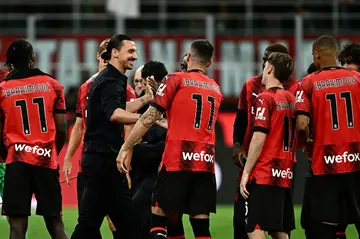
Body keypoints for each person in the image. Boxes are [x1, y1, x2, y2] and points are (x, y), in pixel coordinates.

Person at [117, 39, 223, 239]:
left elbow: (149, 117)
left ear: (189, 56)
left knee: (159, 217)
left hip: (177, 161)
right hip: (205, 164)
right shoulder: (215, 89)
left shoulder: (175, 79)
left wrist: (126, 145)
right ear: (209, 63)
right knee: (200, 225)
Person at [70, 34, 141, 239]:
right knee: (90, 226)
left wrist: (146, 99)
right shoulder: (110, 80)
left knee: (123, 225)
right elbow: (115, 114)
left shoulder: (111, 78)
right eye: (130, 51)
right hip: (103, 163)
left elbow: (118, 107)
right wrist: (146, 119)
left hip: (103, 161)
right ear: (115, 53)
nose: (135, 56)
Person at [0, 39, 68, 239]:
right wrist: (51, 151)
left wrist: (6, 155)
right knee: (55, 223)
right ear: (32, 58)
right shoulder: (53, 84)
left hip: (17, 161)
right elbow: (62, 127)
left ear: (10, 62)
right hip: (46, 160)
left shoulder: (3, 88)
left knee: (17, 226)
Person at [296, 35, 360, 238]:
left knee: (327, 224)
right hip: (356, 162)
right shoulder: (358, 80)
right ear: (336, 54)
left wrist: (306, 144)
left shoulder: (308, 82)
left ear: (316, 55)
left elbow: (301, 124)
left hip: (325, 164)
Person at [232, 44, 297, 239]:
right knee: (279, 229)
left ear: (269, 68)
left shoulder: (265, 97)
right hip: (284, 171)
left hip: (263, 170)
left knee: (254, 227)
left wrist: (246, 172)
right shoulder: (292, 98)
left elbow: (259, 136)